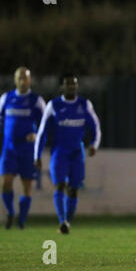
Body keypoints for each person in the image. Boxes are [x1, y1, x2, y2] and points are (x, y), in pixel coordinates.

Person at [34, 74, 101, 234]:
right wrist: (36, 155)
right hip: (59, 152)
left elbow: (96, 128)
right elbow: (42, 132)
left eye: (74, 84)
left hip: (77, 153)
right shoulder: (54, 105)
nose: (71, 87)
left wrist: (94, 145)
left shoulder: (85, 105)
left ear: (77, 87)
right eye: (68, 84)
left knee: (73, 190)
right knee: (60, 185)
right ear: (62, 87)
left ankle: (67, 221)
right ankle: (62, 221)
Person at [0, 67, 46, 229]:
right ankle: (10, 212)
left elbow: (45, 125)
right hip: (9, 149)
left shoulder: (36, 100)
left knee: (26, 187)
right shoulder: (6, 98)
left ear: (30, 80)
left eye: (25, 78)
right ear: (15, 80)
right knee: (6, 183)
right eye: (19, 78)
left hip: (27, 150)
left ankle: (22, 219)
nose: (22, 81)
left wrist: (36, 136)